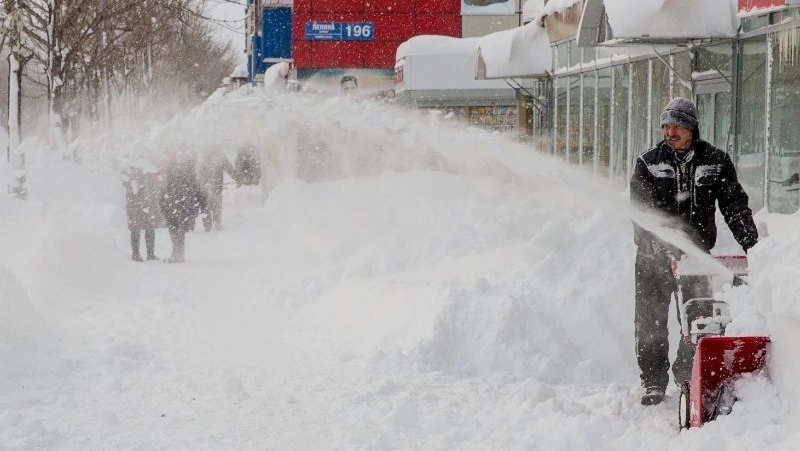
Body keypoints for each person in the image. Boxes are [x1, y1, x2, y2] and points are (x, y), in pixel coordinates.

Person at [629, 97, 759, 406]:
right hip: (652, 256)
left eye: (677, 126)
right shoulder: (649, 162)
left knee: (698, 318)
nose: (670, 132)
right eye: (666, 126)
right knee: (650, 320)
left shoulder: (715, 161)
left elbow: (735, 206)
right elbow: (639, 211)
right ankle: (653, 382)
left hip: (696, 258)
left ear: (692, 128)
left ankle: (689, 374)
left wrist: (754, 247)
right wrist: (656, 244)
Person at [158, 146, 203, 263]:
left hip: (173, 202)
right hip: (181, 203)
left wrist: (163, 201)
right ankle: (178, 254)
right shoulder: (189, 169)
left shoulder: (173, 168)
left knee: (175, 229)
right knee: (179, 230)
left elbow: (165, 186)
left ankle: (176, 254)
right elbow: (195, 186)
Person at [122, 162, 161, 261]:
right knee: (136, 229)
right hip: (136, 204)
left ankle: (149, 254)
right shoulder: (129, 168)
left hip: (145, 203)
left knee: (149, 228)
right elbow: (125, 182)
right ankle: (137, 254)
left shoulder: (149, 168)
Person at [196, 148, 237, 231]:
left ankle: (209, 226)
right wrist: (237, 178)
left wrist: (202, 182)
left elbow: (198, 173)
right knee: (214, 205)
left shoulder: (202, 156)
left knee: (208, 206)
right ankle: (215, 224)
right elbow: (230, 170)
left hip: (210, 186)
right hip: (213, 186)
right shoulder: (219, 157)